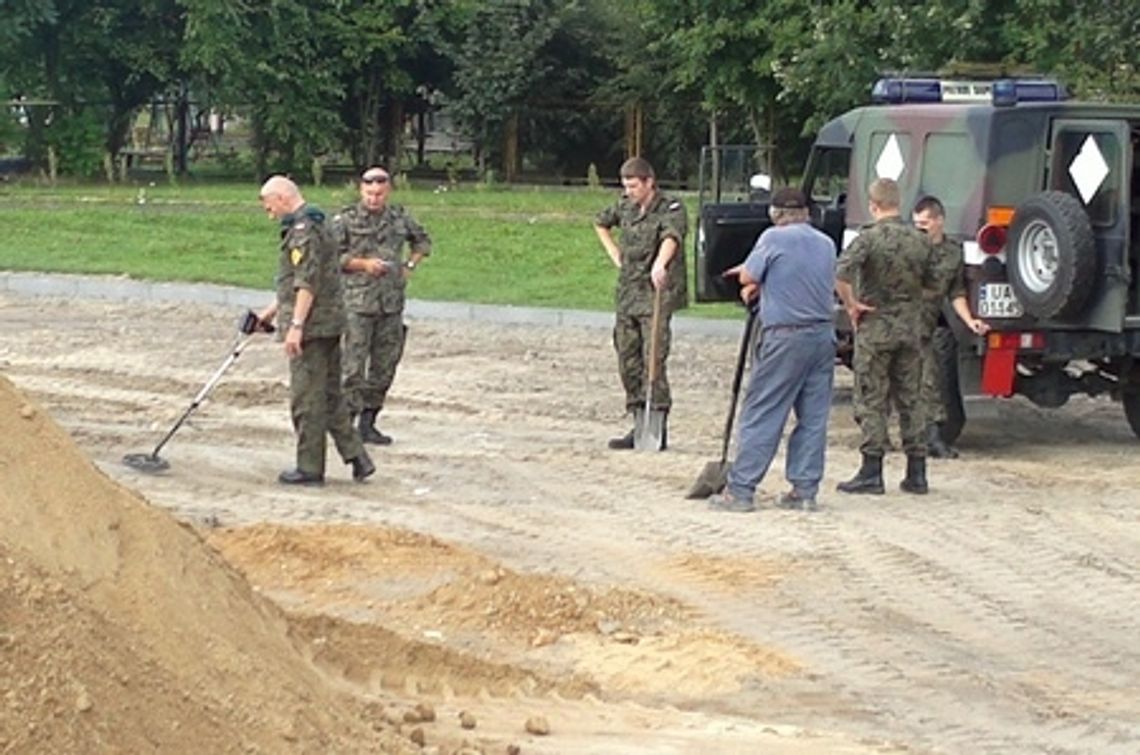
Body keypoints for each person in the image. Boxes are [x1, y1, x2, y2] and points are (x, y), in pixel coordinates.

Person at [707, 187, 837, 513]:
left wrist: (752, 281)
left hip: (786, 336)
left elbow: (749, 275)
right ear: (807, 213)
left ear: (775, 214)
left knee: (764, 410)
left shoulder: (773, 238)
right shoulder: (825, 243)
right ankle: (805, 490)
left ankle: (741, 490)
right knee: (813, 416)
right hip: (823, 337)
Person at [253, 175, 375, 486]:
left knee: (306, 399)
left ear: (282, 198)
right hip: (331, 322)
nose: (271, 215)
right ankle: (357, 456)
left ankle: (309, 467)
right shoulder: (321, 222)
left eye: (270, 208)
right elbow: (297, 283)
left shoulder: (302, 231)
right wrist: (266, 315)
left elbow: (306, 282)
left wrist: (295, 326)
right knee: (332, 395)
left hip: (312, 327)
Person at [835, 178, 933, 495]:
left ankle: (871, 470)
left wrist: (852, 305)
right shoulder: (920, 240)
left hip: (876, 327)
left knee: (872, 397)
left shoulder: (868, 239)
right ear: (899, 203)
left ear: (872, 204)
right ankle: (917, 472)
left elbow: (841, 273)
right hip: (911, 328)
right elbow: (933, 282)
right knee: (912, 397)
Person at [594, 157, 688, 449]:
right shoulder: (625, 205)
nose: (630, 191)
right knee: (627, 358)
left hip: (655, 294)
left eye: (634, 185)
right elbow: (600, 222)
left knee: (653, 359)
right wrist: (614, 252)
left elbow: (672, 236)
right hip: (628, 293)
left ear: (649, 182)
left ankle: (656, 423)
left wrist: (660, 265)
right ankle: (637, 421)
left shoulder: (671, 207)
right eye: (626, 186)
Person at [333, 166, 431, 445]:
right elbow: (331, 255)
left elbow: (422, 241)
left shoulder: (399, 218)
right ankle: (345, 425)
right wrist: (362, 264)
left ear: (387, 191)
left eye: (379, 193)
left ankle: (369, 422)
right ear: (361, 191)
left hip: (390, 304)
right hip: (357, 304)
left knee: (384, 366)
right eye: (369, 193)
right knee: (352, 368)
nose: (374, 198)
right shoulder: (345, 220)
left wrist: (409, 264)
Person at [912, 196, 990, 458]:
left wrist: (970, 320)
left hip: (925, 324)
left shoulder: (952, 252)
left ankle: (932, 439)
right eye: (916, 223)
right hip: (899, 320)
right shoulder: (907, 247)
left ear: (939, 221)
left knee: (929, 380)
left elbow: (955, 292)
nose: (920, 228)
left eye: (925, 223)